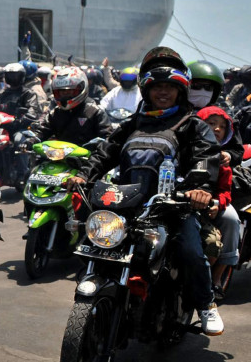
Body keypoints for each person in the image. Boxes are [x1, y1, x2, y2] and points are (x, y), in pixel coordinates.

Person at [66, 47, 224, 336]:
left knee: (190, 249)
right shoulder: (132, 124)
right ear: (147, 90)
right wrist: (82, 175)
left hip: (173, 207)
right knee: (93, 241)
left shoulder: (193, 125)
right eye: (157, 87)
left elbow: (207, 158)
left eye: (169, 87)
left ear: (180, 90)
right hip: (127, 204)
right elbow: (104, 153)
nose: (163, 92)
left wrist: (199, 190)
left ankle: (206, 304)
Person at [196, 106, 242, 299]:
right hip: (186, 203)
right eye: (211, 123)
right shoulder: (184, 149)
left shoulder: (222, 159)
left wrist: (216, 203)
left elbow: (225, 190)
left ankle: (215, 279)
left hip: (212, 205)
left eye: (221, 127)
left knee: (232, 219)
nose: (216, 129)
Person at [30, 67, 111, 147]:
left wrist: (95, 157)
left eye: (69, 90)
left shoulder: (95, 112)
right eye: (62, 91)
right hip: (59, 155)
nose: (65, 93)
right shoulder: (56, 113)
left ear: (81, 88)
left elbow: (107, 139)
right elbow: (43, 130)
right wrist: (32, 140)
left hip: (87, 158)